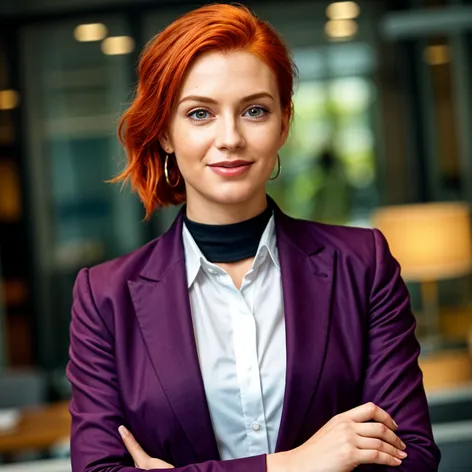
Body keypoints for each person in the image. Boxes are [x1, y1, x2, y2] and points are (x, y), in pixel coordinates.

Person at [66, 4, 440, 472]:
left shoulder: (363, 266)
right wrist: (295, 464)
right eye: (200, 113)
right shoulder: (105, 297)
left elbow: (413, 459)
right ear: (164, 132)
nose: (230, 137)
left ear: (284, 122)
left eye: (255, 111)